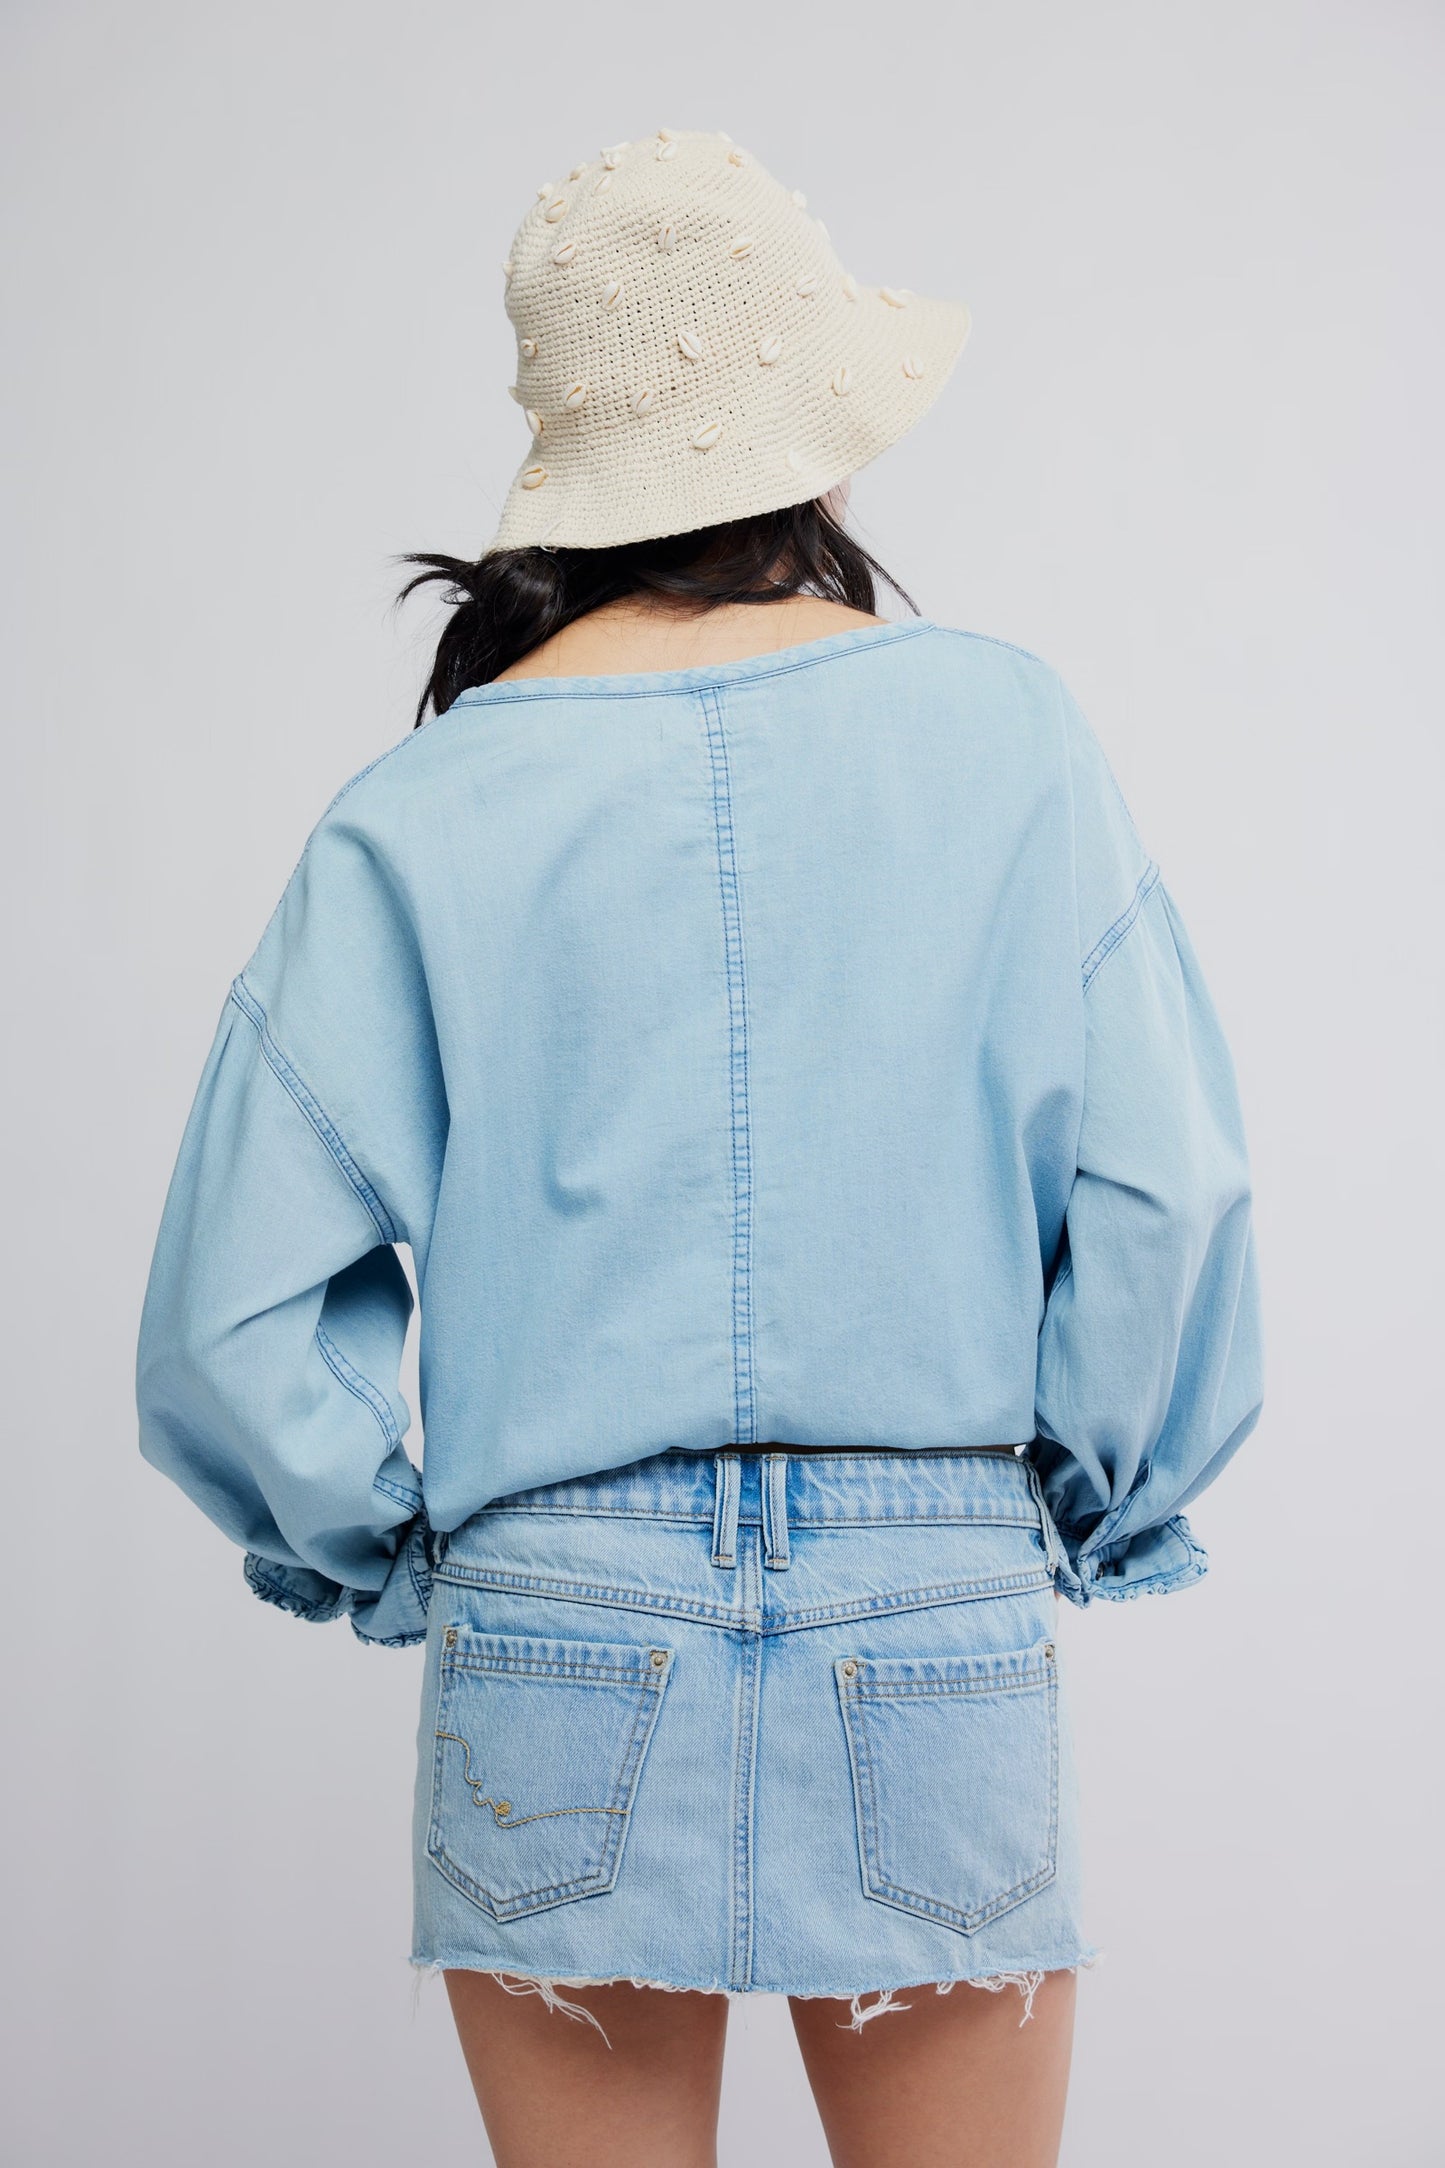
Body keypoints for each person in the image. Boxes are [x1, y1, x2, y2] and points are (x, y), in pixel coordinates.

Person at [134, 126, 1264, 2168]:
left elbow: (228, 1312)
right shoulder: (1009, 739)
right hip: (932, 1621)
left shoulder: (427, 810)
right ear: (814, 437)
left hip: (552, 1616)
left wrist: (398, 1543)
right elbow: (1165, 1192)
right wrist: (1102, 1488)